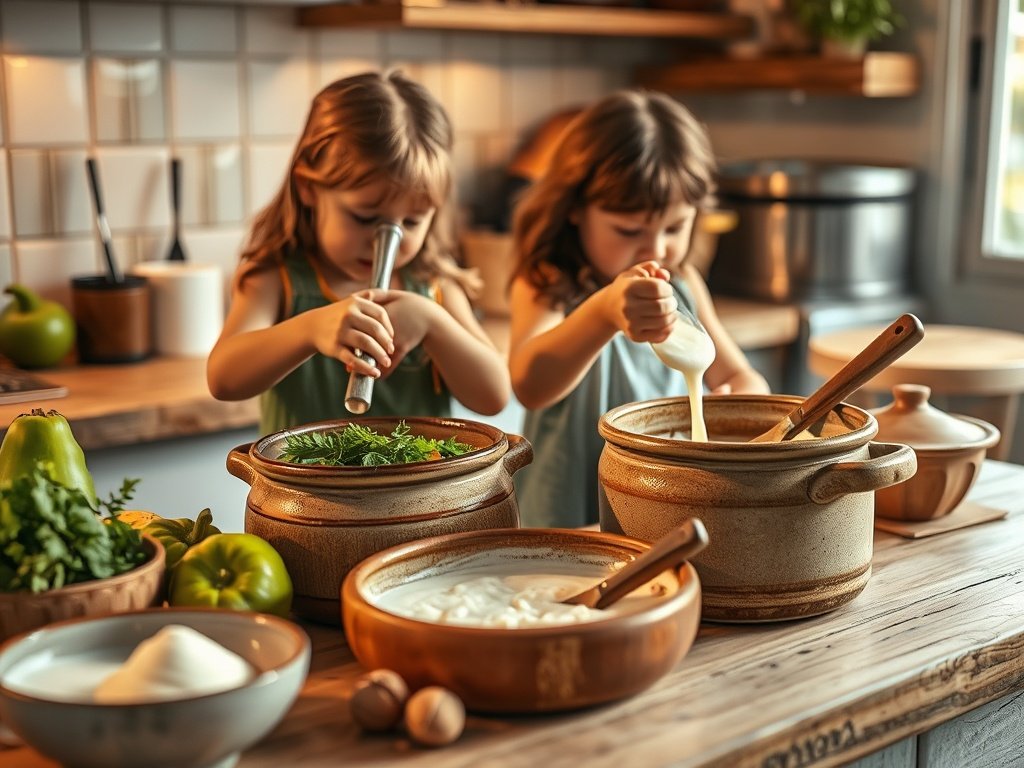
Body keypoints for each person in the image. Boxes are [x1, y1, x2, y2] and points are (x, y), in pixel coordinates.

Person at [508, 89, 770, 529]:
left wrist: (737, 404)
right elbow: (530, 385)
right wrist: (605, 312)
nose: (656, 249)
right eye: (629, 231)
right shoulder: (548, 282)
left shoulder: (683, 285)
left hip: (660, 502)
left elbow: (742, 377)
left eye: (675, 227)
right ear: (575, 209)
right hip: (570, 518)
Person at [207, 70, 510, 435]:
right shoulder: (276, 278)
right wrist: (309, 330)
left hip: (422, 476)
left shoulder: (435, 286)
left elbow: (494, 396)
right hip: (302, 475)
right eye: (365, 218)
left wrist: (433, 323)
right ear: (308, 188)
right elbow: (223, 379)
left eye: (412, 222)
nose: (385, 241)